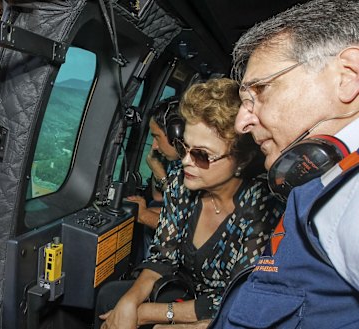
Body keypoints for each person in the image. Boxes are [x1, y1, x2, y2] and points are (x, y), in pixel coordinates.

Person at [210, 1, 359, 328]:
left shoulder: (350, 199)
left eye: (260, 90)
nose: (241, 123)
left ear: (348, 77)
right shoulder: (328, 183)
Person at [95, 78, 284, 329]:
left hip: (224, 307)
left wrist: (147, 313)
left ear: (242, 159)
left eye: (201, 155)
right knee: (112, 298)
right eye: (184, 147)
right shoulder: (179, 183)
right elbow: (162, 257)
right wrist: (130, 302)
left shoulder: (262, 205)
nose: (186, 161)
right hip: (183, 286)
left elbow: (237, 296)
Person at [128, 99, 182, 232]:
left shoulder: (199, 170)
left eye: (157, 137)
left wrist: (143, 215)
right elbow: (158, 198)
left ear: (176, 133)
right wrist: (155, 165)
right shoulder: (175, 162)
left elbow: (183, 227)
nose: (154, 146)